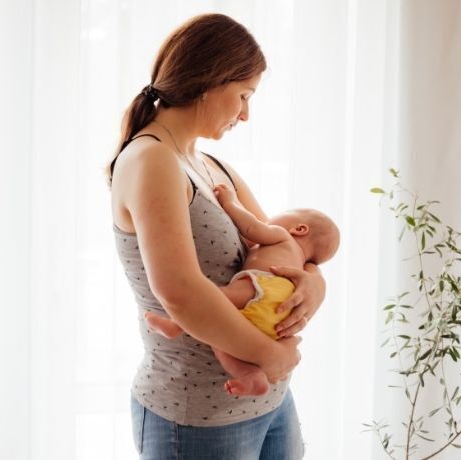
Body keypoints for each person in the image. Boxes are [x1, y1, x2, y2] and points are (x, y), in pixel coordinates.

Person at [108, 13, 326, 459]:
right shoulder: (151, 161)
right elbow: (181, 294)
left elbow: (282, 247)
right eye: (244, 95)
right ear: (210, 79)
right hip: (196, 414)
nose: (246, 114)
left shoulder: (211, 165)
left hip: (269, 402)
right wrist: (273, 356)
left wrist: (315, 283)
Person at [145, 183, 340, 397]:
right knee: (219, 338)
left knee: (216, 299)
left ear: (299, 229)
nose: (271, 218)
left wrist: (230, 202)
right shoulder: (300, 262)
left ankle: (176, 324)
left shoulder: (282, 236)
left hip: (266, 284)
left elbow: (251, 228)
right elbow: (312, 273)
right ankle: (251, 376)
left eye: (284, 214)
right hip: (279, 313)